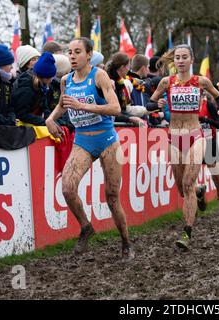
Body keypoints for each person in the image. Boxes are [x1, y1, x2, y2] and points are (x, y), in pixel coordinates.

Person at [45, 37, 134, 260]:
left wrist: (82, 105)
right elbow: (62, 105)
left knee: (112, 197)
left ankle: (126, 242)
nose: (72, 57)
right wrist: (50, 119)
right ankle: (86, 226)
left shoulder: (99, 75)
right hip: (82, 141)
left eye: (77, 52)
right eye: (70, 52)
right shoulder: (66, 80)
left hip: (106, 140)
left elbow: (115, 108)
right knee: (67, 188)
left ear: (88, 54)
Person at [149, 44, 219, 250]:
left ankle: (186, 233)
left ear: (191, 60)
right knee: (182, 189)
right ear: (173, 61)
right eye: (177, 57)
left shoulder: (200, 81)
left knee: (187, 184)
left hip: (196, 136)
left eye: (185, 57)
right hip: (174, 138)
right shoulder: (166, 82)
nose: (181, 61)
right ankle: (199, 191)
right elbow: (150, 103)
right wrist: (155, 107)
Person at [198, 93, 219, 220]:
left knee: (217, 179)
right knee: (189, 176)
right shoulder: (186, 107)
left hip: (209, 140)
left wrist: (207, 120)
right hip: (193, 141)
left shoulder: (208, 105)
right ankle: (198, 193)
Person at [12, 52, 57, 126]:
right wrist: (44, 122)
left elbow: (44, 107)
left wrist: (51, 121)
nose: (52, 80)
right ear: (44, 76)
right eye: (50, 77)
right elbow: (21, 114)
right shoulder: (27, 87)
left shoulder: (43, 86)